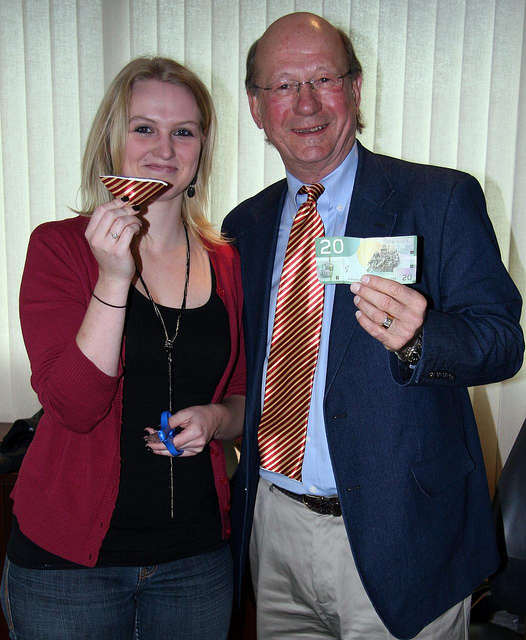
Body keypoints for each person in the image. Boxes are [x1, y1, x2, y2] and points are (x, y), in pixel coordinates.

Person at [222, 12, 524, 640]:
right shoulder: (244, 226)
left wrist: (423, 337)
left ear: (355, 89)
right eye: (284, 85)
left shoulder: (438, 199)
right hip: (274, 534)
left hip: (405, 535)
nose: (306, 103)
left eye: (324, 79)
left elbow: (502, 342)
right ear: (256, 107)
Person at [1, 56, 245, 640]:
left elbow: (244, 400)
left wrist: (216, 419)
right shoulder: (58, 248)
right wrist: (113, 278)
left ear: (202, 148)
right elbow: (75, 406)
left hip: (196, 561)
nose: (164, 148)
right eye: (144, 128)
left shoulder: (227, 261)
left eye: (183, 131)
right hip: (68, 569)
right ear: (113, 139)